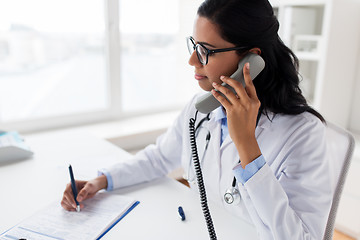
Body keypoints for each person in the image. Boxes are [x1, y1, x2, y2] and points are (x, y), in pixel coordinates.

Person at [61, 0, 332, 239]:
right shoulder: (201, 109)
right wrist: (102, 180)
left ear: (250, 60)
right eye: (193, 45)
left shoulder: (303, 134)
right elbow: (159, 158)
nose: (192, 60)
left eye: (205, 50)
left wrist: (248, 145)